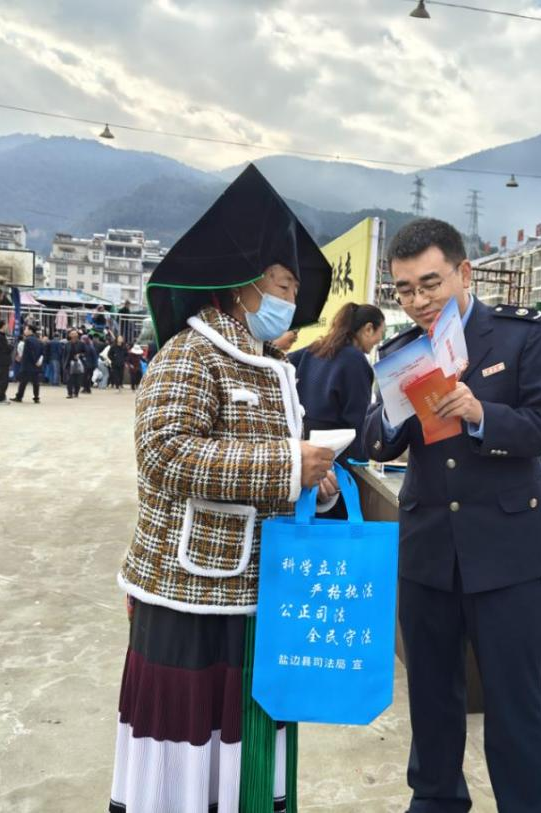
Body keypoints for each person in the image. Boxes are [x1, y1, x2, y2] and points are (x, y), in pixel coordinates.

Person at [110, 164, 338, 813]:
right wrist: (287, 464)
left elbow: (279, 463)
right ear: (243, 286)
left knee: (245, 750)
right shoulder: (191, 352)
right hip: (192, 597)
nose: (290, 300)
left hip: (256, 592)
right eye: (284, 285)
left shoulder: (269, 363)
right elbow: (165, 451)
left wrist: (315, 481)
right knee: (187, 753)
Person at [363, 218, 541, 813]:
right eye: (405, 290)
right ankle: (435, 798)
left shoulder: (518, 335)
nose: (418, 301)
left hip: (508, 551)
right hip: (429, 547)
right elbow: (376, 438)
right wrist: (394, 413)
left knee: (514, 700)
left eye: (430, 284)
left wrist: (483, 415)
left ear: (463, 273)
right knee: (431, 695)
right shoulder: (401, 351)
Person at [289, 302, 384, 465]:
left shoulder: (315, 348)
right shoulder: (355, 360)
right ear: (368, 329)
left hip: (303, 447)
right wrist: (361, 460)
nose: (380, 340)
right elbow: (358, 419)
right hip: (334, 453)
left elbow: (283, 362)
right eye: (382, 332)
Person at [11, 325, 45, 403]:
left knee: (23, 382)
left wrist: (22, 358)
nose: (24, 331)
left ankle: (19, 397)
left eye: (26, 329)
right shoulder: (39, 341)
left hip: (27, 364)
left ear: (30, 331)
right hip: (36, 365)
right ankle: (36, 397)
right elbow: (42, 352)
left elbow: (29, 353)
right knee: (36, 382)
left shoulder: (28, 340)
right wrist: (39, 361)